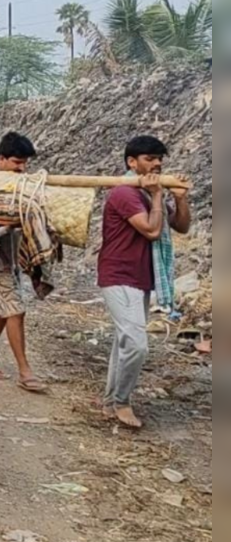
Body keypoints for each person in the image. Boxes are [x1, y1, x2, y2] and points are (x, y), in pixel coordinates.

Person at [98, 136, 191, 429]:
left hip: (142, 277)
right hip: (119, 275)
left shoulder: (153, 191)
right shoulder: (124, 192)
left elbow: (182, 227)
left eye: (159, 158)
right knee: (137, 345)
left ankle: (110, 401)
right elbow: (152, 230)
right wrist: (155, 196)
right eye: (149, 158)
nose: (157, 163)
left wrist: (179, 197)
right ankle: (121, 402)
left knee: (124, 342)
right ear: (131, 162)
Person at [0, 133, 47, 392]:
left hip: (7, 257)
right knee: (15, 310)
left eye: (25, 163)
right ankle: (25, 372)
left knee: (3, 309)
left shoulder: (10, 181)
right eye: (17, 162)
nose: (22, 168)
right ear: (1, 158)